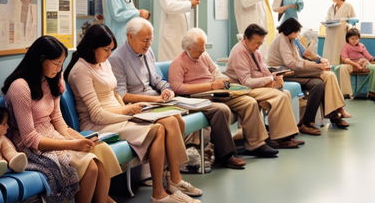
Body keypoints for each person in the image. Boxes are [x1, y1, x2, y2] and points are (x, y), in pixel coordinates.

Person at [3, 35, 132, 203]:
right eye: (55, 63)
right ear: (40, 59)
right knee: (89, 165)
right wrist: (73, 145)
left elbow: (58, 122)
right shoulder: (20, 87)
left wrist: (83, 139)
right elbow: (30, 137)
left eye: (61, 63)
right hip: (31, 147)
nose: (58, 68)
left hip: (53, 135)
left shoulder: (51, 80)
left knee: (101, 151)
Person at [64, 23, 202, 203]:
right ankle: (162, 192)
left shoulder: (102, 62)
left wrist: (129, 110)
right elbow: (96, 113)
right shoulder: (80, 71)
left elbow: (115, 95)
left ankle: (163, 190)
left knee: (165, 124)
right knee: (158, 129)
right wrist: (127, 112)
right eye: (106, 50)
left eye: (111, 49)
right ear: (92, 47)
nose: (109, 54)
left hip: (118, 115)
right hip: (99, 123)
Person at [110, 18, 246, 170]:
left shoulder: (148, 52)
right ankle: (180, 166)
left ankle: (203, 158)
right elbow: (122, 95)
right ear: (130, 36)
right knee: (180, 119)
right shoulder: (117, 58)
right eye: (145, 40)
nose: (148, 44)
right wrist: (154, 98)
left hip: (159, 99)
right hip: (141, 104)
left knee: (211, 109)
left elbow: (156, 79)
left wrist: (166, 89)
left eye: (150, 39)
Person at [170, 28, 299, 156]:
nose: (203, 50)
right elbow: (177, 88)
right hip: (199, 95)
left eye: (204, 46)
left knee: (249, 102)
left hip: (217, 91)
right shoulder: (178, 63)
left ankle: (256, 144)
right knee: (232, 106)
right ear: (188, 48)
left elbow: (216, 71)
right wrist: (210, 86)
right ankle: (232, 151)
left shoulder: (204, 55)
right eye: (200, 48)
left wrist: (223, 81)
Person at [268, 18, 349, 133]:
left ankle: (331, 114)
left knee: (327, 76)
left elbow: (298, 60)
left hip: (291, 70)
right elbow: (292, 63)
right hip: (282, 73)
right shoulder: (282, 40)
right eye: (296, 32)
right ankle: (323, 117)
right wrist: (317, 66)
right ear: (289, 30)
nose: (298, 34)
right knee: (322, 78)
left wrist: (318, 64)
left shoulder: (290, 40)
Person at [338, 28, 375, 100]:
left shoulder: (361, 46)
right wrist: (356, 64)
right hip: (351, 64)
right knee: (342, 67)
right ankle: (346, 93)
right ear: (347, 38)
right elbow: (345, 59)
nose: (355, 41)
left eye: (357, 38)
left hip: (363, 64)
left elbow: (369, 57)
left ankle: (372, 92)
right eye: (352, 39)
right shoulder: (346, 46)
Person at [322, 0, 356, 67]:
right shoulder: (331, 8)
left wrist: (348, 25)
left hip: (341, 33)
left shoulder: (348, 6)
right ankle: (329, 68)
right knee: (330, 53)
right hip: (331, 34)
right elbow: (327, 19)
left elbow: (353, 20)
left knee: (339, 53)